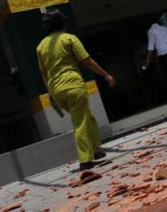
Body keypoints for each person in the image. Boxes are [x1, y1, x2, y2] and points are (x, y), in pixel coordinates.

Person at [36, 9, 116, 171]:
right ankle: (85, 161)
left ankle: (97, 150)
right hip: (73, 86)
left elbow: (44, 73)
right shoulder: (69, 39)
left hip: (57, 91)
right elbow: (87, 61)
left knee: (87, 116)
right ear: (64, 24)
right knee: (80, 122)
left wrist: (50, 93)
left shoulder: (41, 47)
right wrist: (106, 75)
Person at [144, 15, 167, 100]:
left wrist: (147, 60)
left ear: (148, 23)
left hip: (163, 54)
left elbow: (151, 46)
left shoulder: (150, 31)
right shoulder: (165, 28)